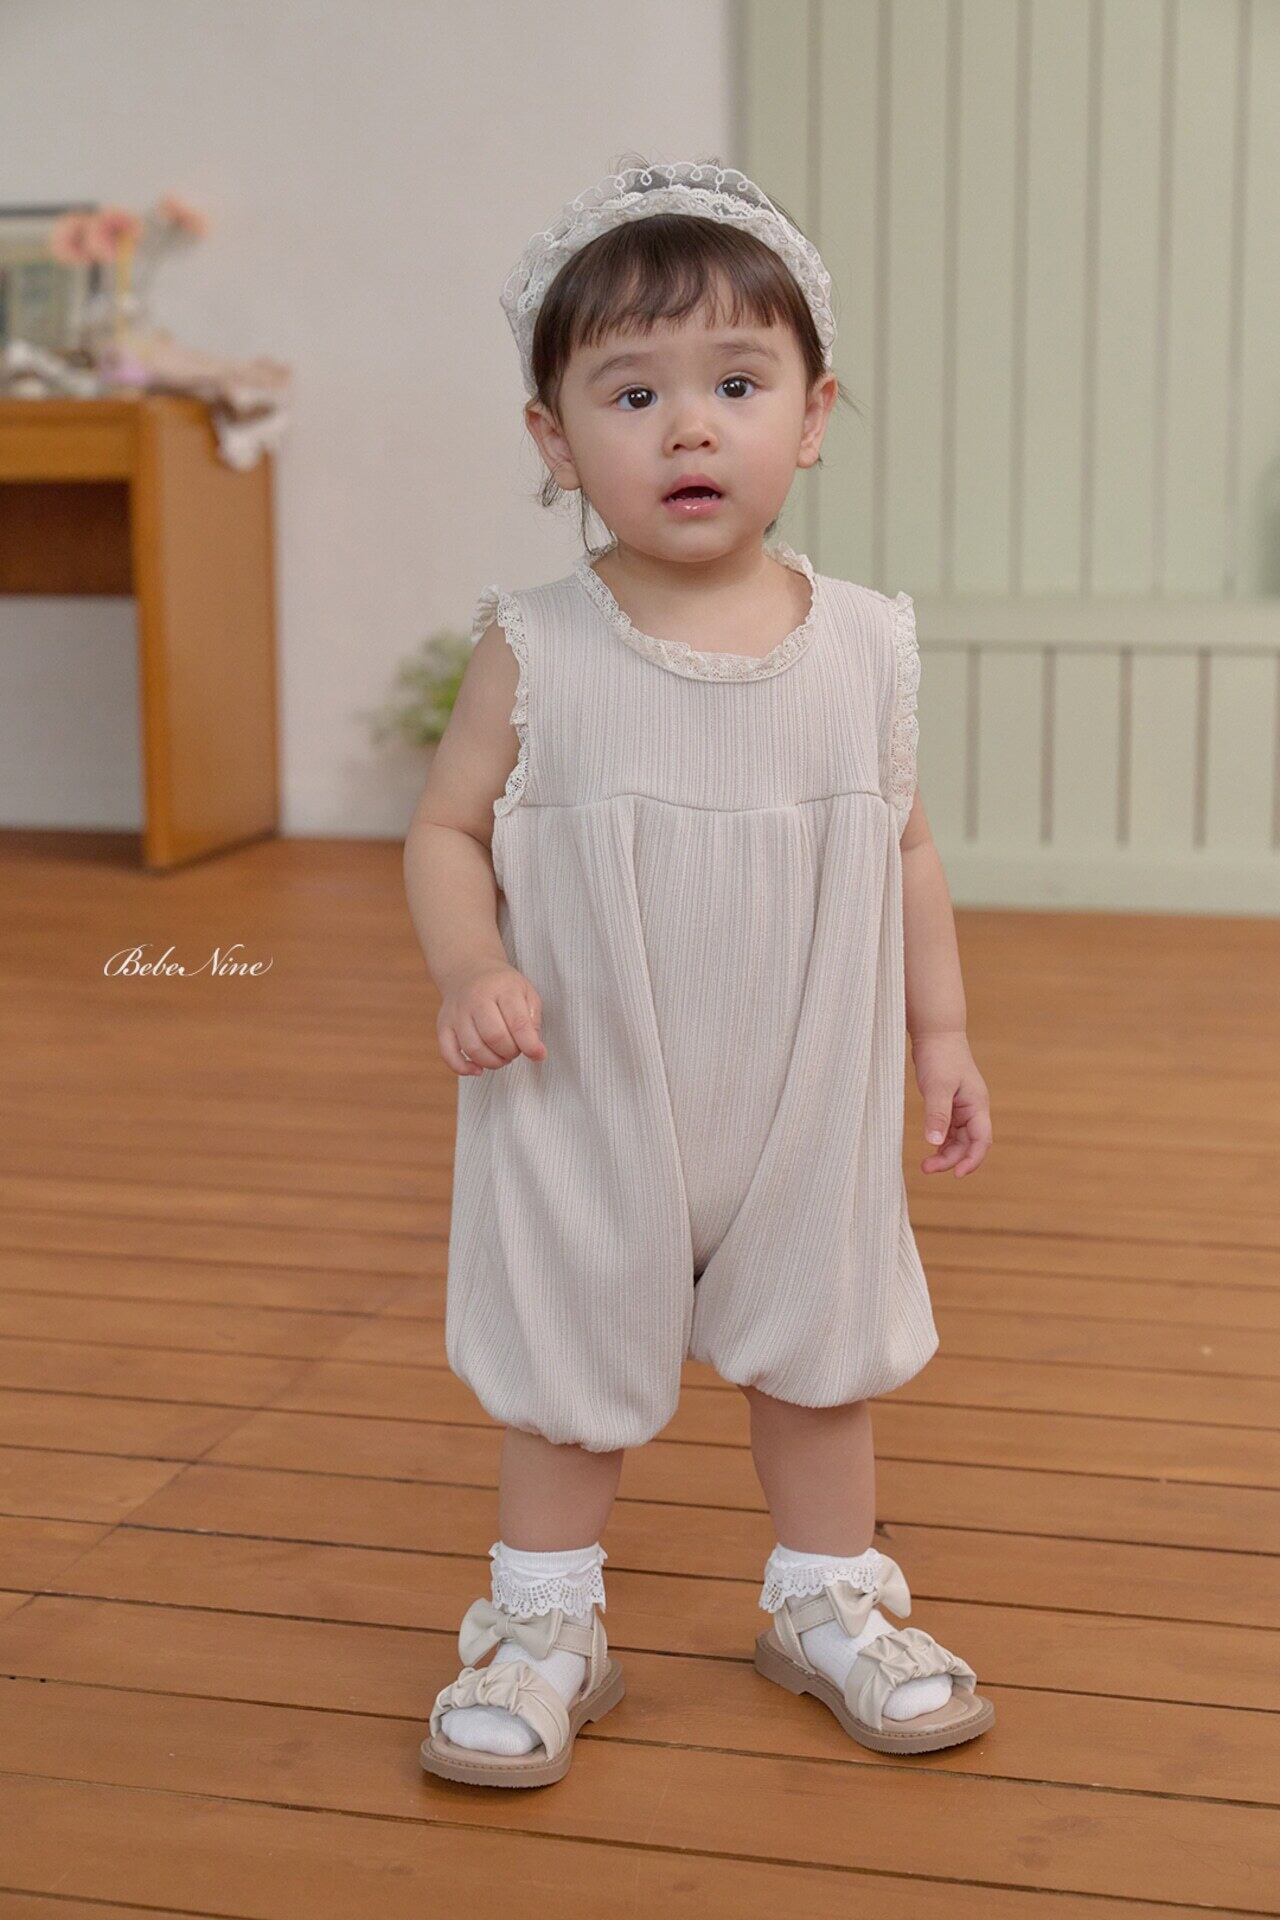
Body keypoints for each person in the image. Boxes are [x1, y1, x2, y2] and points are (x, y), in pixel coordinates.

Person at [405, 158, 995, 1788]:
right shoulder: (538, 644)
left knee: (821, 1344)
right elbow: (446, 828)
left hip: (805, 1080)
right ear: (554, 442)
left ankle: (826, 1599)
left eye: (737, 385)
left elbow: (905, 850)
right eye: (633, 394)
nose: (688, 429)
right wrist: (470, 960)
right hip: (586, 1078)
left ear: (811, 416)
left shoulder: (863, 642)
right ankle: (545, 1626)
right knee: (568, 1356)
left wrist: (942, 1033)